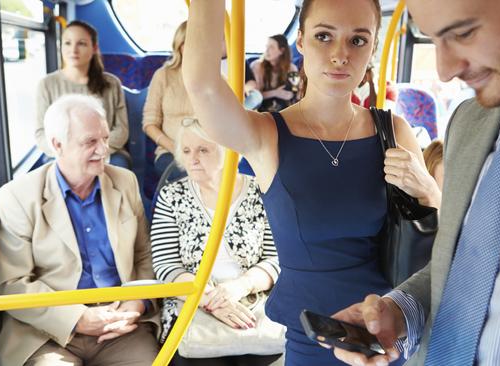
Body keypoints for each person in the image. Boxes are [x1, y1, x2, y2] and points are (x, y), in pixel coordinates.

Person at [182, 0, 441, 364]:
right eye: (324, 36)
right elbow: (203, 86)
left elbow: (439, 238)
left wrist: (429, 191)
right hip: (312, 340)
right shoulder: (267, 135)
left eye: (357, 41)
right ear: (300, 41)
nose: (340, 55)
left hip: (385, 333)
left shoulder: (393, 131)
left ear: (372, 49)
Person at [330, 0, 500, 365]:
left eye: (463, 33)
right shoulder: (470, 122)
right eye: (432, 39)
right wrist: (400, 312)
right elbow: (464, 265)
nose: (445, 71)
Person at [0, 94, 159, 366]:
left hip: (122, 324)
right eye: (90, 142)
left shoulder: (124, 182)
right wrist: (76, 319)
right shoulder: (19, 196)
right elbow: (11, 284)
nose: (104, 150)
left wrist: (137, 302)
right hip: (48, 332)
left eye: (105, 139)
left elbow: (144, 255)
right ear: (57, 144)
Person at [151, 121, 283, 365]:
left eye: (203, 150)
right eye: (187, 151)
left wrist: (240, 287)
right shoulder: (172, 196)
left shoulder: (260, 192)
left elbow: (276, 258)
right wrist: (212, 300)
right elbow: (165, 266)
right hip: (193, 300)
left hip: (253, 297)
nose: (193, 159)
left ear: (229, 151)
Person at [35, 20, 130, 168]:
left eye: (81, 43)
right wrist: (72, 154)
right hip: (62, 154)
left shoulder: (112, 84)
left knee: (120, 167)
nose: (73, 49)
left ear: (94, 48)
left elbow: (121, 130)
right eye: (67, 43)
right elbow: (41, 133)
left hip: (106, 151)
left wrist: (95, 151)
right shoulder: (47, 85)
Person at [143, 21, 195, 178]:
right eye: (192, 43)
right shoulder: (163, 76)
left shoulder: (217, 79)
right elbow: (149, 124)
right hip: (169, 151)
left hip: (205, 151)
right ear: (180, 46)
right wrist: (176, 149)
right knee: (186, 175)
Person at [247, 34, 299, 112]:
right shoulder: (257, 66)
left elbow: (296, 91)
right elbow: (255, 96)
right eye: (266, 47)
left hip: (283, 111)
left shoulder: (292, 68)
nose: (267, 50)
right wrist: (276, 93)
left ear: (281, 50)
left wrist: (296, 92)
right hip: (261, 111)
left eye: (271, 47)